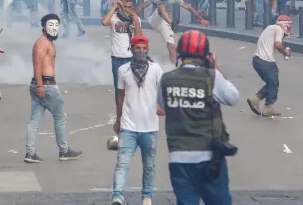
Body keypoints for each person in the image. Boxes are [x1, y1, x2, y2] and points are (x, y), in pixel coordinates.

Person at [158, 30, 239, 205]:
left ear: (179, 53)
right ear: (206, 55)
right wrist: (215, 68)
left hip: (178, 157)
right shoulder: (211, 77)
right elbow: (233, 98)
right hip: (208, 157)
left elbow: (163, 106)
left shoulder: (166, 79)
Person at [111, 35, 163, 205]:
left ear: (147, 49)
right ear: (131, 49)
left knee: (149, 166)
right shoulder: (123, 70)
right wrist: (118, 120)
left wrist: (162, 107)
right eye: (137, 48)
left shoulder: (156, 69)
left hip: (149, 127)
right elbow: (120, 95)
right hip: (128, 126)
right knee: (122, 163)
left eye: (144, 48)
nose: (141, 51)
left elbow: (162, 92)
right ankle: (117, 197)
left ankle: (147, 197)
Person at [25, 13, 82, 163]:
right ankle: (64, 151)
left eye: (57, 25)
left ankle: (30, 153)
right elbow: (37, 64)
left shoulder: (46, 42)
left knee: (35, 120)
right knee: (60, 117)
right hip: (46, 86)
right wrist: (40, 85)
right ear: (43, 27)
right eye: (51, 25)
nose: (54, 28)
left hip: (41, 85)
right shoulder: (43, 43)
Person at [135, 0, 209, 64]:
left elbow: (188, 7)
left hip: (165, 23)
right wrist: (132, 16)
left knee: (172, 47)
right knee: (161, 7)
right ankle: (171, 23)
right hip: (154, 19)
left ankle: (174, 66)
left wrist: (200, 18)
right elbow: (141, 6)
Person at [247, 15, 292, 117]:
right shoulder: (279, 30)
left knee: (271, 83)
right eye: (288, 25)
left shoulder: (270, 27)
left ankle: (257, 99)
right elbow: (277, 45)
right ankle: (267, 106)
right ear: (284, 25)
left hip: (256, 60)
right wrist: (285, 52)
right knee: (274, 83)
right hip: (266, 60)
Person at [101, 0, 142, 105]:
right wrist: (114, 7)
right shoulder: (114, 18)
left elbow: (139, 39)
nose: (127, 9)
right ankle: (120, 113)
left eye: (130, 7)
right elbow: (104, 22)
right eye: (125, 7)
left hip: (130, 58)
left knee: (132, 87)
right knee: (119, 89)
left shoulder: (134, 19)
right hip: (117, 59)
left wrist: (136, 22)